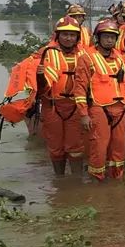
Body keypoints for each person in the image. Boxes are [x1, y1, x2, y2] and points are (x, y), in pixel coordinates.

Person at [74, 19, 125, 181]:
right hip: (98, 108)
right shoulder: (86, 58)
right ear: (98, 37)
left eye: (112, 37)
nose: (109, 40)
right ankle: (97, 184)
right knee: (99, 147)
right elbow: (79, 89)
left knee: (119, 147)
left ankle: (116, 182)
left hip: (121, 110)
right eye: (106, 37)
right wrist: (83, 114)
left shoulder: (120, 58)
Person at [36, 16, 88, 175]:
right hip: (52, 105)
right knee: (55, 145)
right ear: (58, 35)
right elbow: (37, 86)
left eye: (72, 35)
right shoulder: (45, 53)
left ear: (77, 37)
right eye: (64, 34)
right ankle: (59, 181)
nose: (68, 38)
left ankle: (75, 183)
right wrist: (39, 75)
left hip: (75, 105)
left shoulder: (86, 54)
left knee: (76, 145)